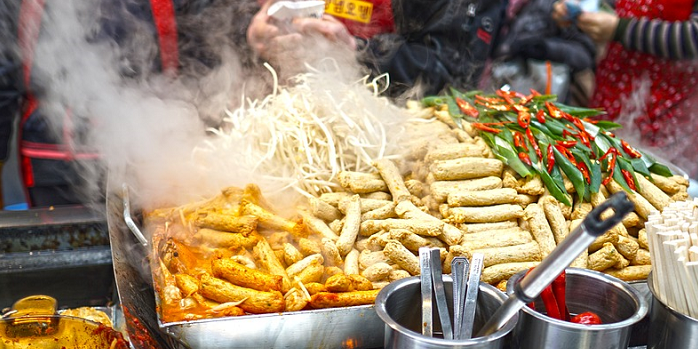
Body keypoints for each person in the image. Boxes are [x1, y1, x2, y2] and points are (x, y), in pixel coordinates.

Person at [0, 0, 259, 208]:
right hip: (57, 168)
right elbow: (4, 72)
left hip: (162, 159)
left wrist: (251, 31)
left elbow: (210, 33)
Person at [553, 0, 698, 179]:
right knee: (597, 167)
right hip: (613, 89)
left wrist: (619, 29)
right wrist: (580, 12)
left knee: (652, 180)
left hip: (667, 108)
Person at [245, 0, 509, 98]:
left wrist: (356, 52)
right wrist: (251, 29)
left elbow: (453, 76)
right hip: (277, 107)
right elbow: (213, 23)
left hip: (386, 133)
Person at [489, 0, 597, 106]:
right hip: (504, 74)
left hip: (543, 88)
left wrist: (545, 48)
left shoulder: (580, 9)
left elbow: (585, 56)